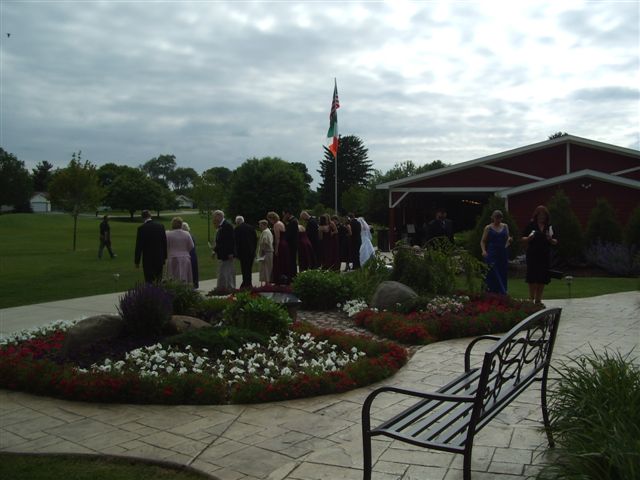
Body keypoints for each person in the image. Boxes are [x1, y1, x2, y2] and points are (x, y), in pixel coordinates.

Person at [521, 205, 558, 305]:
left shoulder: (549, 227)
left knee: (542, 277)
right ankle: (531, 298)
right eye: (540, 215)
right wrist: (528, 239)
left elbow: (555, 241)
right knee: (532, 276)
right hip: (533, 254)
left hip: (544, 255)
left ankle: (538, 299)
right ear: (536, 216)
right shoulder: (531, 225)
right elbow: (523, 238)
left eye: (544, 215)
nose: (542, 217)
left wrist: (550, 239)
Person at [480, 210, 512, 295]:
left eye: (499, 218)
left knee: (502, 271)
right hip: (492, 252)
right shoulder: (488, 228)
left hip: (503, 252)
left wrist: (509, 240)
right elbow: (483, 241)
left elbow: (507, 237)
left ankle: (502, 291)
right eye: (496, 218)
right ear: (493, 218)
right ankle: (492, 291)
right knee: (492, 271)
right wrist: (484, 251)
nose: (498, 220)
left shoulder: (505, 226)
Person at [134, 210, 167, 283]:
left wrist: (137, 261)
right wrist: (164, 257)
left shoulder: (141, 228)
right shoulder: (160, 226)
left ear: (142, 217)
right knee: (159, 279)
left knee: (149, 280)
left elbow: (139, 246)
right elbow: (164, 243)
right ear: (150, 216)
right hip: (159, 257)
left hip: (148, 258)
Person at [166, 216, 194, 284]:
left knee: (173, 278)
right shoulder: (187, 234)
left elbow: (166, 245)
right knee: (184, 277)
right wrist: (185, 251)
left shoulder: (168, 234)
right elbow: (191, 246)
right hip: (185, 258)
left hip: (172, 258)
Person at [212, 210, 236, 291]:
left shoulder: (227, 226)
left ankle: (229, 287)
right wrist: (215, 251)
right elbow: (219, 241)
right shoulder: (220, 226)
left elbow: (231, 240)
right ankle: (222, 286)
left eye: (214, 217)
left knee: (228, 271)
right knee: (222, 271)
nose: (214, 219)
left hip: (227, 253)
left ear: (219, 216)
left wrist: (230, 252)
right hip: (221, 253)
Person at [267, 211, 290, 284]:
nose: (270, 221)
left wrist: (276, 249)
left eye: (269, 220)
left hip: (280, 244)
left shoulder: (276, 225)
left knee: (278, 262)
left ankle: (279, 279)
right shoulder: (281, 223)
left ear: (272, 218)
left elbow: (277, 238)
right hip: (285, 243)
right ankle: (285, 278)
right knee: (284, 261)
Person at [235, 216, 257, 289]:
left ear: (238, 222)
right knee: (249, 268)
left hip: (243, 252)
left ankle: (245, 283)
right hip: (251, 251)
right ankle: (248, 282)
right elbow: (255, 239)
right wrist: (254, 250)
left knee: (244, 268)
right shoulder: (251, 228)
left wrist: (236, 253)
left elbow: (236, 242)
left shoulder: (237, 229)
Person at [181, 222, 199, 289]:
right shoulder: (191, 235)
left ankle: (190, 284)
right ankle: (194, 284)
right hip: (193, 255)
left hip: (188, 255)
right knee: (193, 270)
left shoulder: (186, 236)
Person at [283, 209, 299, 280]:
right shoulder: (292, 221)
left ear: (288, 214)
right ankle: (292, 275)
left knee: (292, 260)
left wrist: (284, 239)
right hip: (292, 243)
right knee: (291, 260)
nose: (284, 216)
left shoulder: (293, 221)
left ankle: (293, 276)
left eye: (284, 214)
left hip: (292, 244)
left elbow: (290, 233)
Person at [257, 219, 274, 286]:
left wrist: (263, 250)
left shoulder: (265, 232)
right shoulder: (268, 231)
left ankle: (267, 283)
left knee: (266, 268)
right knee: (267, 268)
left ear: (264, 225)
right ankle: (267, 282)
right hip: (268, 252)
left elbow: (265, 241)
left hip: (266, 252)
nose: (259, 226)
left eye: (260, 225)